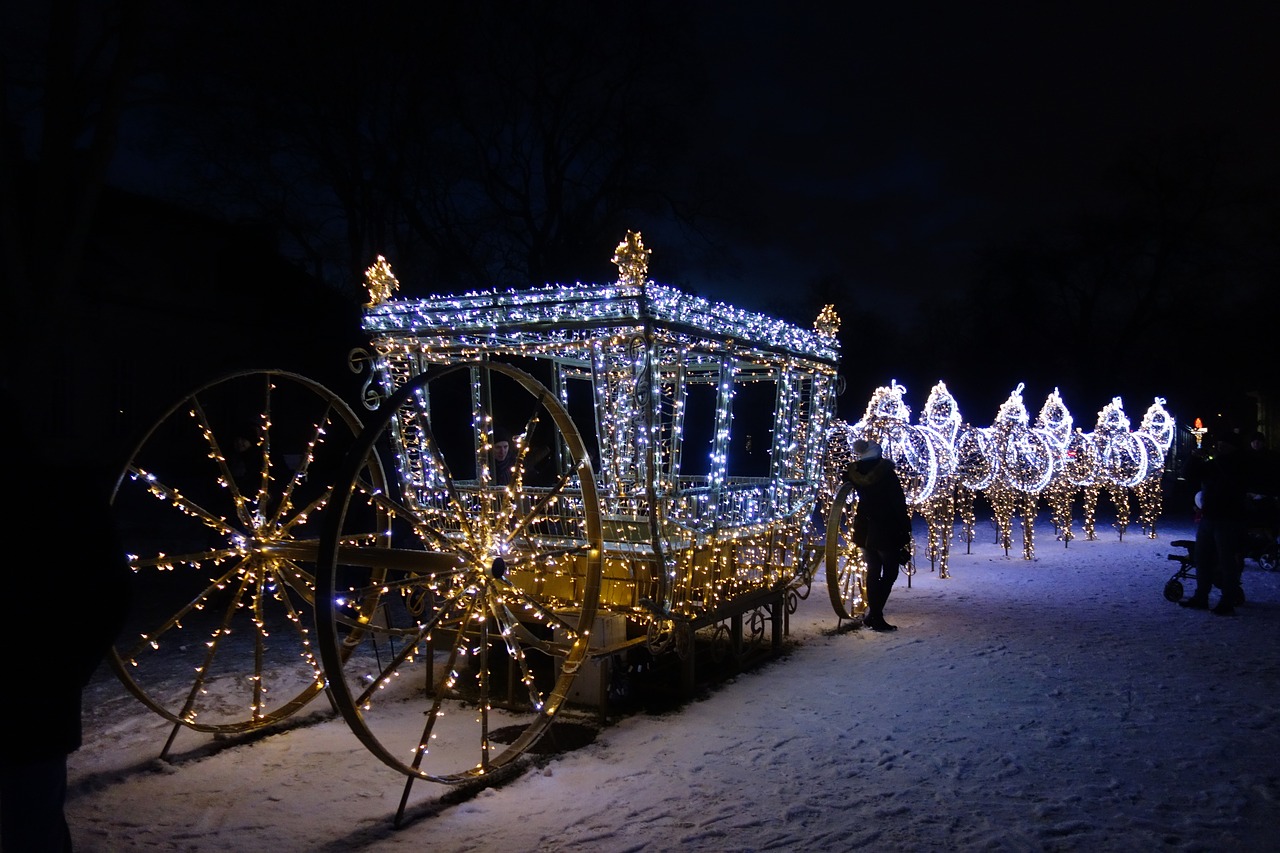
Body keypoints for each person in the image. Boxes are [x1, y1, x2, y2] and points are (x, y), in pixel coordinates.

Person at [0, 390, 133, 852]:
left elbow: (107, 594)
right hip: (36, 704)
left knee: (29, 825)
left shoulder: (59, 496)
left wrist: (57, 674)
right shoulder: (64, 492)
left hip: (28, 707)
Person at [846, 438, 913, 632]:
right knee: (890, 571)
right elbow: (898, 503)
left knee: (873, 570)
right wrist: (905, 527)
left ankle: (874, 614)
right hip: (885, 528)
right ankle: (875, 615)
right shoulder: (887, 475)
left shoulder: (854, 474)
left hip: (864, 527)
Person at [1180, 435, 1249, 615]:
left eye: (1222, 444)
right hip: (1209, 516)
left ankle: (1227, 600)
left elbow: (1236, 481)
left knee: (1226, 561)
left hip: (1229, 518)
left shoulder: (1239, 463)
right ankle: (1201, 596)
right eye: (1218, 444)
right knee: (1202, 558)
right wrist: (1194, 457)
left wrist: (1218, 460)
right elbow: (1189, 474)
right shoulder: (1214, 464)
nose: (1218, 447)